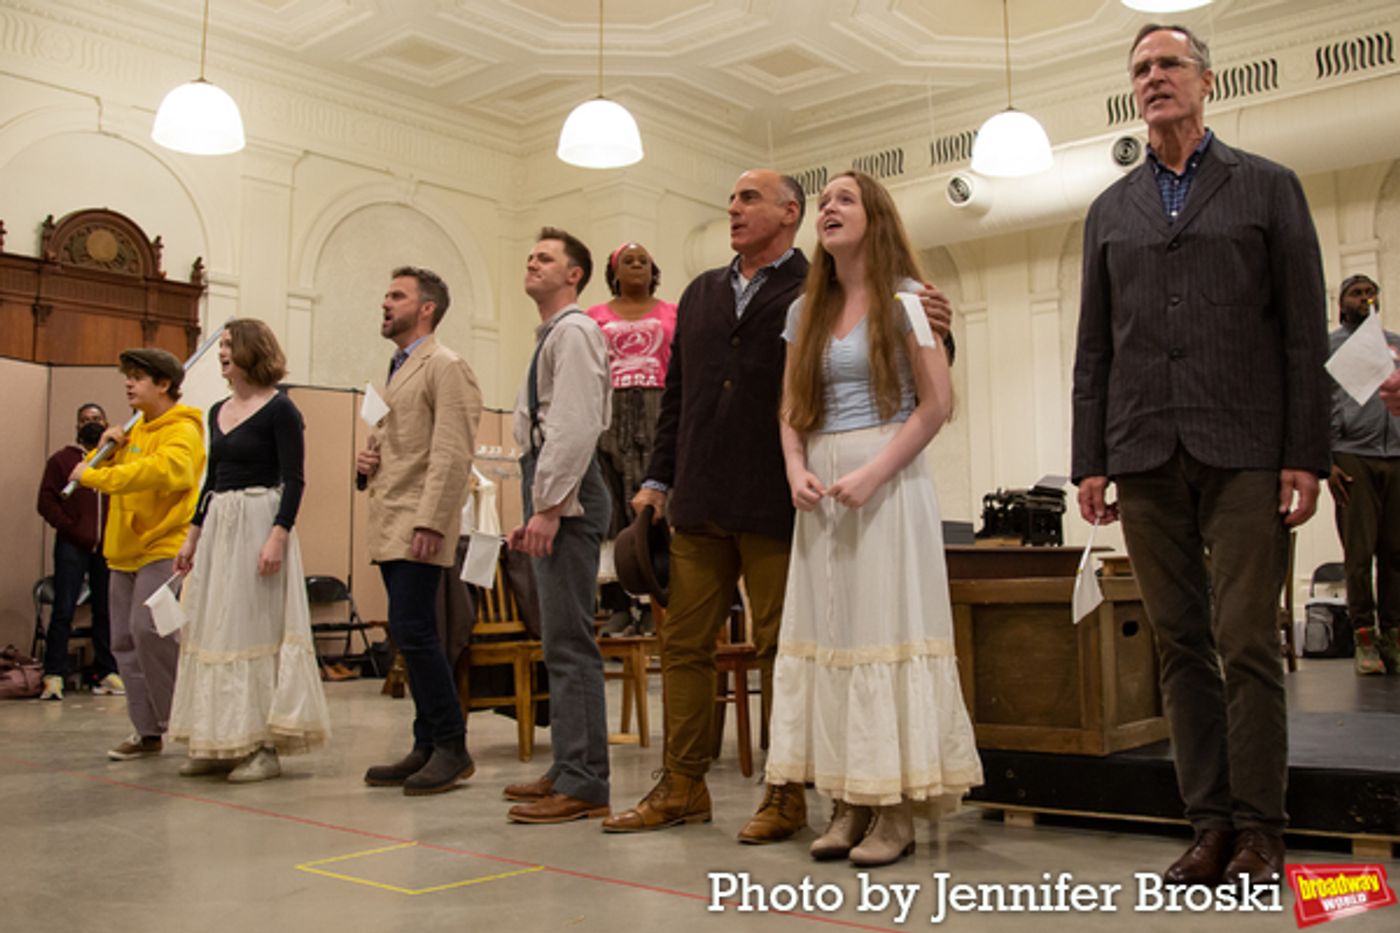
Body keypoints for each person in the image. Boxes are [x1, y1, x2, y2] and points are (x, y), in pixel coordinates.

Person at [603, 169, 954, 841]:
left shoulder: (820, 285)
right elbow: (678, 393)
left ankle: (786, 791)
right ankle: (681, 784)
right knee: (683, 643)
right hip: (703, 494)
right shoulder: (706, 293)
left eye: (748, 198)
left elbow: (918, 370)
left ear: (787, 213)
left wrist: (941, 320)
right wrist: (656, 479)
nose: (732, 207)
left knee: (784, 646)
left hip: (778, 497)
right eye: (730, 196)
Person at [1071, 24, 1329, 888]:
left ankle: (1261, 827)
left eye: (1168, 64)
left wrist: (1307, 453)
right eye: (1140, 69)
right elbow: (1095, 347)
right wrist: (1089, 459)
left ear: (1205, 82)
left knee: (1247, 638)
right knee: (1180, 644)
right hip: (1142, 450)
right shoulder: (1110, 210)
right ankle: (1208, 822)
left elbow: (1302, 332)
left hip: (1248, 448)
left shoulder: (1268, 188)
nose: (1153, 78)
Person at [763, 171, 982, 867]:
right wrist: (797, 466)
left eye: (844, 199)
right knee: (833, 640)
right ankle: (847, 796)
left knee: (884, 636)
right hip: (822, 491)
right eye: (823, 201)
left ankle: (893, 806)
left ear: (875, 217)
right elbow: (792, 407)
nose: (829, 207)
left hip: (886, 483)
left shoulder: (912, 299)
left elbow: (936, 402)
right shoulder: (806, 311)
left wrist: (874, 471)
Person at [167, 319, 332, 781]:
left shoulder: (281, 410)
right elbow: (210, 479)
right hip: (220, 523)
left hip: (260, 519)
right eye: (219, 346)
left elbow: (294, 479)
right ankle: (218, 738)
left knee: (251, 627)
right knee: (214, 627)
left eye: (227, 345)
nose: (221, 353)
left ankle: (261, 745)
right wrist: (193, 535)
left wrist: (278, 533)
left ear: (250, 351)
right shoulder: (215, 410)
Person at [502, 228, 613, 824]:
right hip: (550, 484)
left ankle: (586, 780)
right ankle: (571, 761)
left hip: (566, 490)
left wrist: (549, 507)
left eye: (545, 257)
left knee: (570, 642)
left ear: (574, 275)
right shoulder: (552, 334)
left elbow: (573, 423)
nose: (532, 261)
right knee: (558, 640)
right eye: (531, 253)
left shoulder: (575, 332)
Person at [358, 266, 482, 796]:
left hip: (418, 521)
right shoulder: (396, 367)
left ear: (426, 308)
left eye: (397, 296)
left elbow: (453, 451)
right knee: (410, 633)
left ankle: (452, 745)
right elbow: (405, 442)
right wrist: (368, 460)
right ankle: (426, 743)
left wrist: (433, 520)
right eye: (385, 294)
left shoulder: (446, 366)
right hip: (390, 515)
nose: (385, 303)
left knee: (417, 631)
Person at [71, 348, 206, 761]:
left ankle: (180, 722)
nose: (129, 384)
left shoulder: (183, 430)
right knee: (125, 640)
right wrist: (111, 448)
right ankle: (146, 731)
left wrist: (95, 475)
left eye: (138, 377)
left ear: (163, 384)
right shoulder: (134, 431)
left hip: (163, 546)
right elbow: (131, 468)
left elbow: (165, 473)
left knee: (152, 631)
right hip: (124, 552)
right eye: (127, 377)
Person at [587, 243, 677, 635]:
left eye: (644, 260)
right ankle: (619, 604)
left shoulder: (675, 313)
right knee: (612, 504)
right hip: (609, 412)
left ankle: (662, 597)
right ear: (615, 271)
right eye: (629, 260)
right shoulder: (592, 318)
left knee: (658, 504)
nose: (637, 264)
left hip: (660, 407)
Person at [1325, 274, 1400, 675]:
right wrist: (1327, 459)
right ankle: (1364, 636)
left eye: (1371, 292)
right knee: (1359, 553)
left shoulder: (1395, 345)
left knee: (1395, 552)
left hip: (1396, 454)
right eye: (1357, 293)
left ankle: (1393, 633)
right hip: (1352, 455)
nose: (1365, 298)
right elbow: (1319, 405)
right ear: (1343, 302)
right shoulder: (1330, 348)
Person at [35, 403, 122, 700]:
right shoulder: (62, 460)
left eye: (96, 418)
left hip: (106, 548)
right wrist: (70, 527)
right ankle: (54, 674)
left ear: (106, 422)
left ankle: (106, 672)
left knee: (105, 611)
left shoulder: (115, 460)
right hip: (72, 546)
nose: (91, 423)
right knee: (64, 609)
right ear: (76, 425)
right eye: (85, 419)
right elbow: (46, 502)